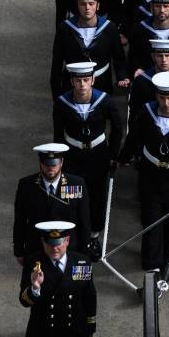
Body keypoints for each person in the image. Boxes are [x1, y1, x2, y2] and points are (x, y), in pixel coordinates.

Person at [119, 72, 169, 273]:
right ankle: (152, 264)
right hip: (150, 174)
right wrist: (121, 158)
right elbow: (134, 138)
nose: (166, 102)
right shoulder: (147, 113)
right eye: (162, 97)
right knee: (151, 219)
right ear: (157, 96)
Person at [52, 61, 123, 260]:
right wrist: (59, 160)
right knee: (72, 196)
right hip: (73, 157)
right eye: (78, 80)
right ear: (72, 81)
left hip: (98, 156)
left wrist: (113, 155)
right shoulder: (62, 103)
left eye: (86, 80)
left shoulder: (104, 101)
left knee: (97, 197)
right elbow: (58, 134)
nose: (82, 85)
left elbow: (118, 129)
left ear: (92, 80)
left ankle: (93, 237)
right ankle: (74, 237)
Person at [13, 144, 90, 263]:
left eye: (54, 164)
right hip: (36, 250)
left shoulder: (77, 184)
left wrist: (84, 253)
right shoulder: (26, 185)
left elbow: (84, 221)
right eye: (46, 164)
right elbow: (20, 220)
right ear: (40, 163)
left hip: (68, 250)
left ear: (61, 162)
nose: (51, 168)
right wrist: (18, 250)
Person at [49, 0, 129, 98]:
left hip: (102, 84)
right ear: (77, 5)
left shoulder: (110, 28)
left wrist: (122, 77)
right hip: (72, 84)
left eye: (91, 4)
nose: (87, 8)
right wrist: (57, 94)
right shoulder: (64, 29)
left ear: (98, 5)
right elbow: (57, 63)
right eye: (83, 4)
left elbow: (119, 57)